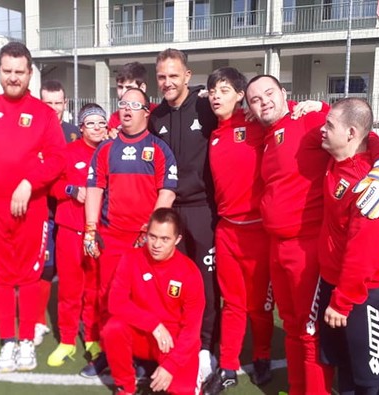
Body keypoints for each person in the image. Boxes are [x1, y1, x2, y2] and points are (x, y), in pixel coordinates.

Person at [245, 74, 379, 394]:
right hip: (277, 245)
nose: (264, 102)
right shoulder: (264, 130)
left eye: (269, 93)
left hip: (307, 247)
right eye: (255, 99)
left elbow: (360, 132)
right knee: (291, 326)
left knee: (309, 332)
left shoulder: (310, 119)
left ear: (284, 92)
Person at [0, 42, 65, 373]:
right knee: (2, 278)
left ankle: (27, 343)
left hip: (30, 209)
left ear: (30, 73)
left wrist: (29, 182)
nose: (14, 77)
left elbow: (58, 159)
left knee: (30, 278)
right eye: (8, 71)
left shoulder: (45, 115)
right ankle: (7, 342)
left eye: (20, 71)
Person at [82, 87, 178, 377]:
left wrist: (149, 231)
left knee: (145, 297)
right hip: (112, 235)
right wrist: (90, 229)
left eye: (134, 105)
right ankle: (111, 352)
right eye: (123, 104)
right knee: (108, 294)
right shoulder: (106, 148)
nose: (126, 109)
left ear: (146, 112)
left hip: (144, 239)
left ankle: (145, 355)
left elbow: (167, 194)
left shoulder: (159, 149)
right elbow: (94, 189)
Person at [317, 98, 379, 394]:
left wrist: (343, 300)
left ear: (351, 133)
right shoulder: (340, 157)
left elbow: (364, 251)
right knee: (345, 368)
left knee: (371, 379)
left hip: (364, 293)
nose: (322, 130)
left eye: (329, 125)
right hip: (333, 283)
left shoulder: (372, 184)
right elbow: (371, 134)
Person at [148, 48, 220, 385]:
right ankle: (174, 346)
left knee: (204, 282)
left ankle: (206, 350)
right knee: (170, 281)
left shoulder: (207, 107)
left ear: (187, 76)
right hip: (168, 210)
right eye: (162, 76)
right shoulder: (155, 115)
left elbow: (251, 113)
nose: (167, 82)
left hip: (202, 209)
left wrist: (306, 107)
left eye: (173, 75)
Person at [202, 67, 273, 394]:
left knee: (259, 306)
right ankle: (228, 365)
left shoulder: (258, 125)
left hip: (259, 233)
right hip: (227, 232)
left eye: (225, 89)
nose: (216, 95)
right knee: (232, 303)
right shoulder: (214, 131)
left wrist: (316, 107)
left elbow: (299, 121)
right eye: (213, 90)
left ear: (241, 95)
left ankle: (261, 357)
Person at [103, 208, 205, 395]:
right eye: (153, 236)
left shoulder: (189, 273)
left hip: (173, 340)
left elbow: (191, 330)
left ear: (177, 240)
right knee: (113, 328)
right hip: (143, 333)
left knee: (183, 391)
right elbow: (115, 302)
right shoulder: (131, 258)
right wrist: (153, 324)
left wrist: (171, 366)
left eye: (165, 239)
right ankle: (125, 387)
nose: (156, 244)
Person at [45, 103, 107, 367]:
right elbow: (51, 184)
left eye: (101, 123)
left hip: (99, 233)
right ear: (81, 128)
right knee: (70, 290)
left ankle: (92, 337)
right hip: (70, 231)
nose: (96, 128)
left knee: (94, 290)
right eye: (90, 123)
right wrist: (71, 189)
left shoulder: (111, 152)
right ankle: (68, 340)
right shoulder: (68, 152)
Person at [33, 79, 81, 346]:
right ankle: (39, 321)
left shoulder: (74, 132)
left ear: (65, 104)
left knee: (76, 270)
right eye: (47, 103)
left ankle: (80, 320)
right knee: (45, 268)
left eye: (57, 103)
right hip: (44, 211)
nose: (53, 108)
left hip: (71, 211)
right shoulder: (31, 132)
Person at [108, 62, 156, 131]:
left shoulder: (157, 113)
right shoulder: (115, 118)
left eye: (129, 87)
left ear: (142, 88)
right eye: (120, 87)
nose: (123, 92)